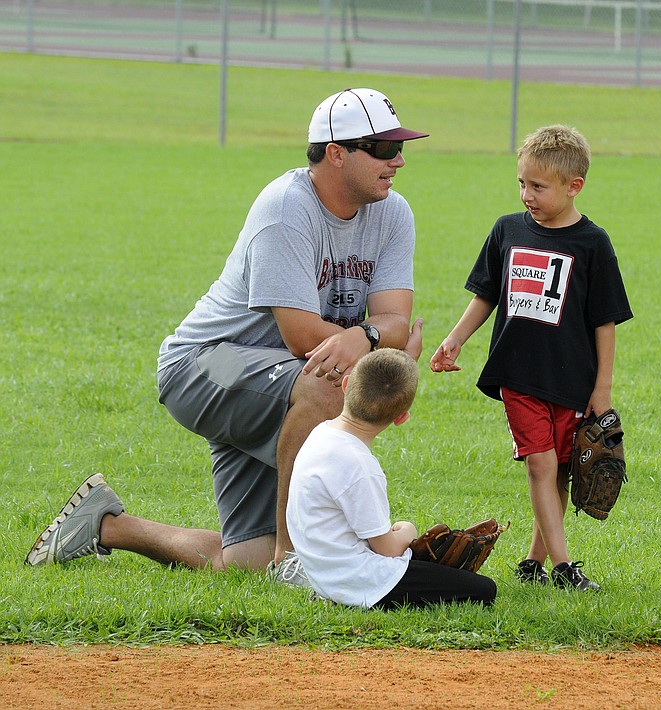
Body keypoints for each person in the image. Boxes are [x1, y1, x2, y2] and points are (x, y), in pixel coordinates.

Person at [25, 88, 429, 586]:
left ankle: (108, 526)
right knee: (326, 385)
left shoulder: (393, 213)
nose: (400, 160)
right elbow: (304, 336)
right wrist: (372, 348)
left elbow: (394, 321)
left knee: (243, 563)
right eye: (385, 149)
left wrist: (364, 337)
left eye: (399, 147)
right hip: (204, 365)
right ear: (337, 153)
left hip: (272, 378)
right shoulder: (287, 206)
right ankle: (291, 558)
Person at [429, 125, 633, 592]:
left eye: (538, 186)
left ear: (573, 186)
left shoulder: (593, 243)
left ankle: (532, 563)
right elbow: (487, 294)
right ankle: (564, 569)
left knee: (561, 470)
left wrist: (601, 389)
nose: (527, 195)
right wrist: (456, 339)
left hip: (573, 379)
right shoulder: (508, 230)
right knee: (541, 465)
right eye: (522, 183)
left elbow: (605, 322)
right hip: (518, 372)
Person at [288, 348, 497, 609]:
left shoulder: (320, 434)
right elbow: (387, 549)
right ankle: (346, 600)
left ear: (346, 385)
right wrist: (406, 530)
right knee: (483, 589)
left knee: (432, 571)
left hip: (325, 571)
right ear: (401, 418)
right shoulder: (360, 465)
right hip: (360, 582)